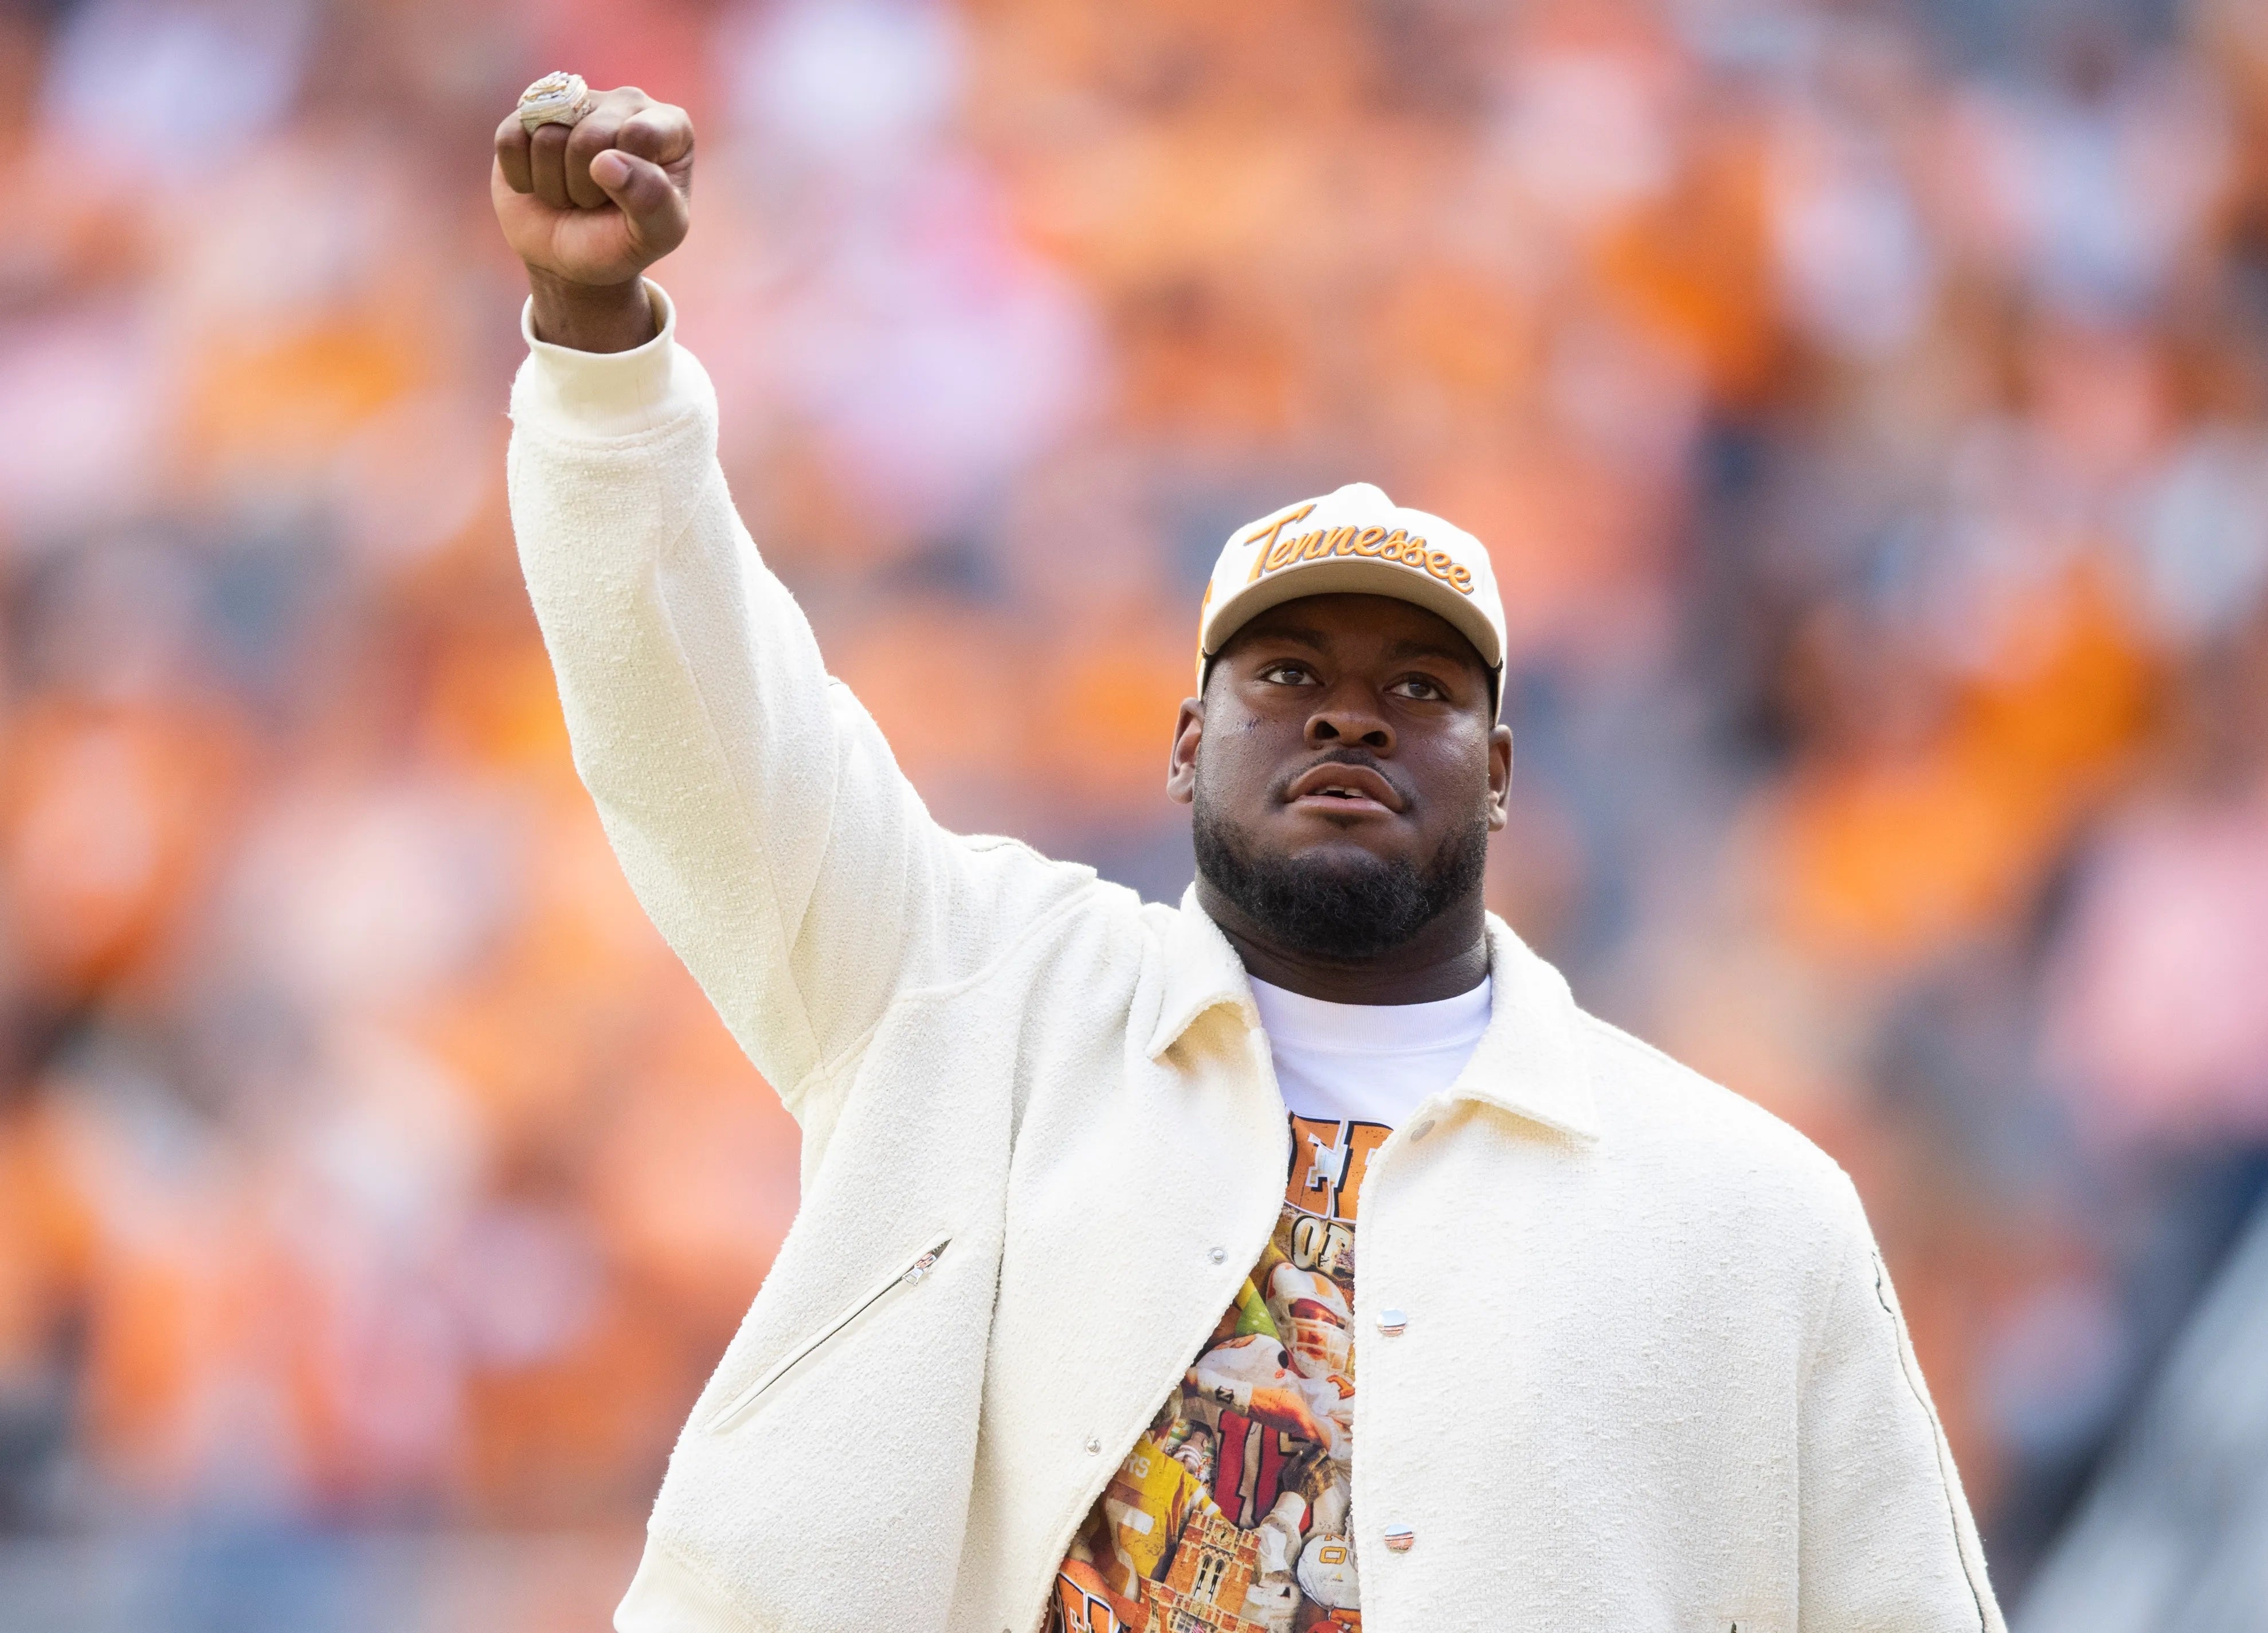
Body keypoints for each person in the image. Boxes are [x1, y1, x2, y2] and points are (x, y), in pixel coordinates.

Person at [492, 78, 2005, 1633]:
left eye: (1414, 690)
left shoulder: (1742, 1210)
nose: (1346, 718)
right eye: (1284, 677)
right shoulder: (981, 996)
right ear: (1178, 745)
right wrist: (603, 354)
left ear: (1496, 776)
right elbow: (706, 725)